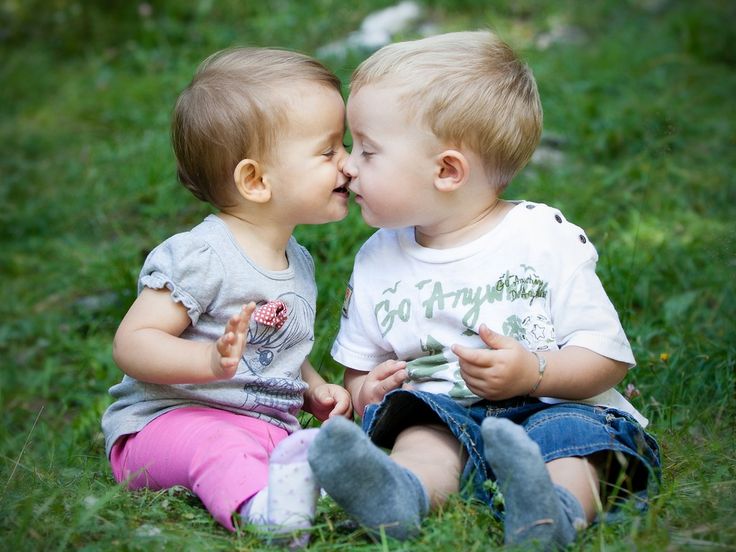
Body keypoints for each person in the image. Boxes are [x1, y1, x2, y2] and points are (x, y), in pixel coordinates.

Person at [307, 30, 660, 548]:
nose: (347, 164)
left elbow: (607, 357)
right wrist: (369, 392)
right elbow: (359, 374)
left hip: (553, 400)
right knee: (422, 432)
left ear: (447, 170)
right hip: (443, 409)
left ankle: (553, 511)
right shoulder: (378, 257)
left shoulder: (542, 239)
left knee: (573, 441)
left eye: (368, 150)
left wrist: (533, 371)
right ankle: (403, 496)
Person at [101, 47, 353, 540]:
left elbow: (273, 348)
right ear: (256, 180)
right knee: (217, 445)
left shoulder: (296, 258)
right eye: (329, 151)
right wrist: (209, 365)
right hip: (167, 425)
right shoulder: (202, 256)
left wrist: (313, 389)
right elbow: (133, 343)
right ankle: (265, 514)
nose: (348, 164)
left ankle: (308, 489)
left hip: (260, 425)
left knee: (321, 446)